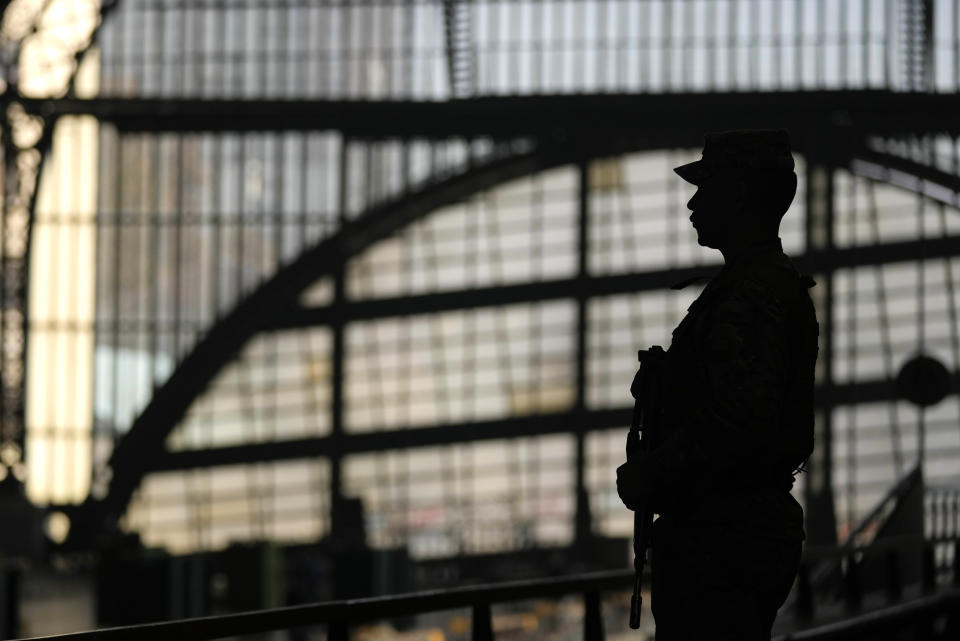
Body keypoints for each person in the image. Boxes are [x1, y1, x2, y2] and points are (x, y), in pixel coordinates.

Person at [616, 129, 819, 640]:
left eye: (708, 187)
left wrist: (650, 472)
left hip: (721, 537)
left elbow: (740, 421)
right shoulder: (757, 288)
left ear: (742, 196)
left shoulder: (749, 297)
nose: (693, 201)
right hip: (728, 531)